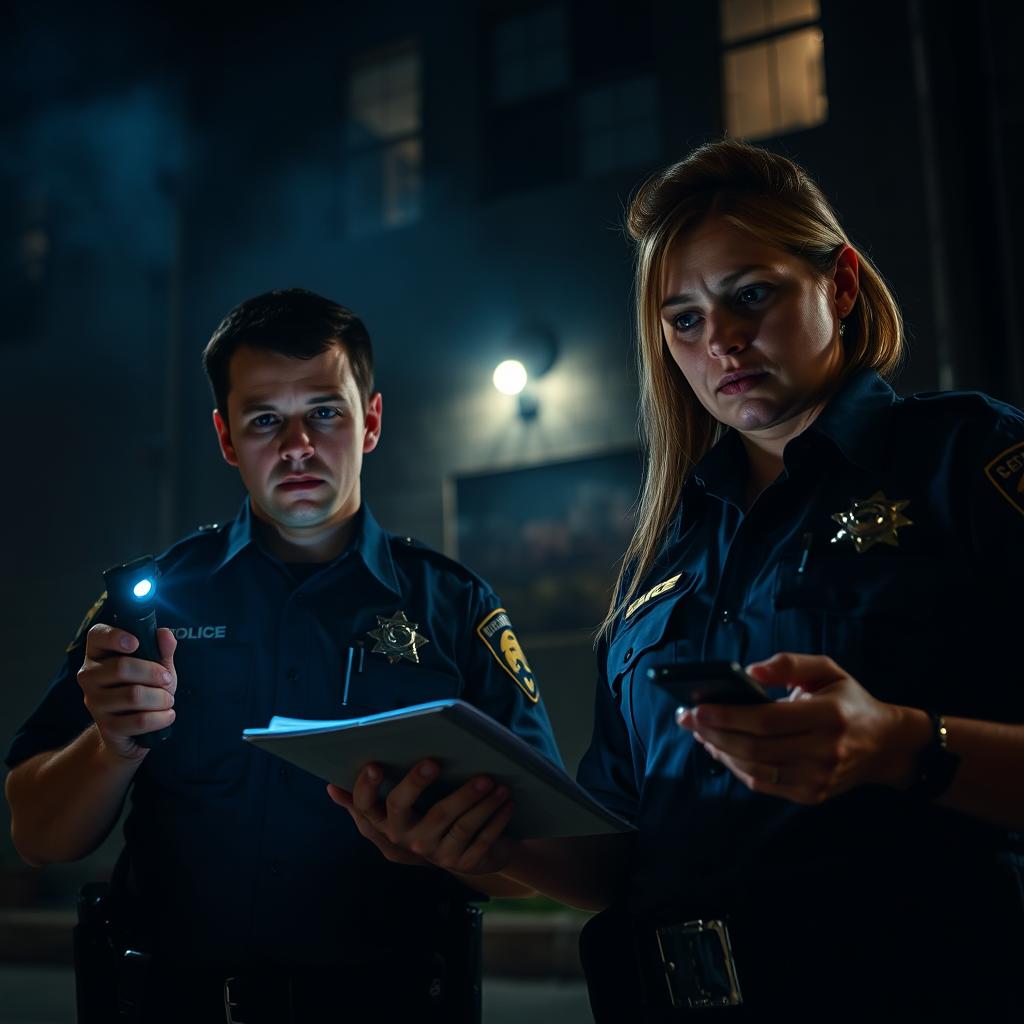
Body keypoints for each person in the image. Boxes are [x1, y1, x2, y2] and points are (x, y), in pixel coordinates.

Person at [329, 141, 1024, 1019]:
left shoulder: (969, 463)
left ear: (840, 285)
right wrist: (465, 840)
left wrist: (900, 745)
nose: (722, 341)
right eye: (684, 319)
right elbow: (613, 859)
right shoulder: (664, 555)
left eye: (752, 295)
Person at [4, 288, 562, 1024]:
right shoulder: (151, 603)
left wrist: (442, 842)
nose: (297, 444)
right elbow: (38, 837)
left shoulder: (451, 605)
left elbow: (542, 855)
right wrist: (111, 746)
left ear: (372, 421)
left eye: (325, 411)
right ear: (227, 438)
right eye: (265, 419)